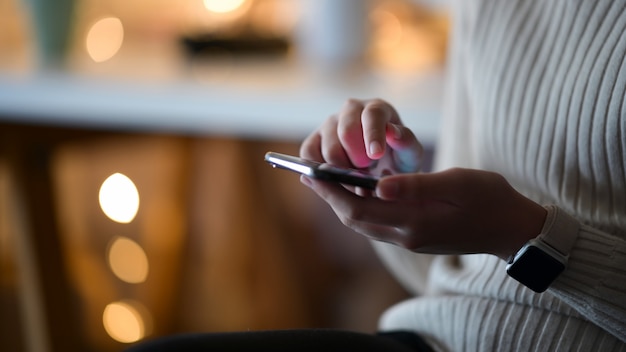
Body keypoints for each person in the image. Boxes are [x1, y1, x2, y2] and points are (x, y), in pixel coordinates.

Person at [128, 1, 626, 350]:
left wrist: (530, 238)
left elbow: (508, 234)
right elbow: (445, 274)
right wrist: (397, 194)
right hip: (436, 338)